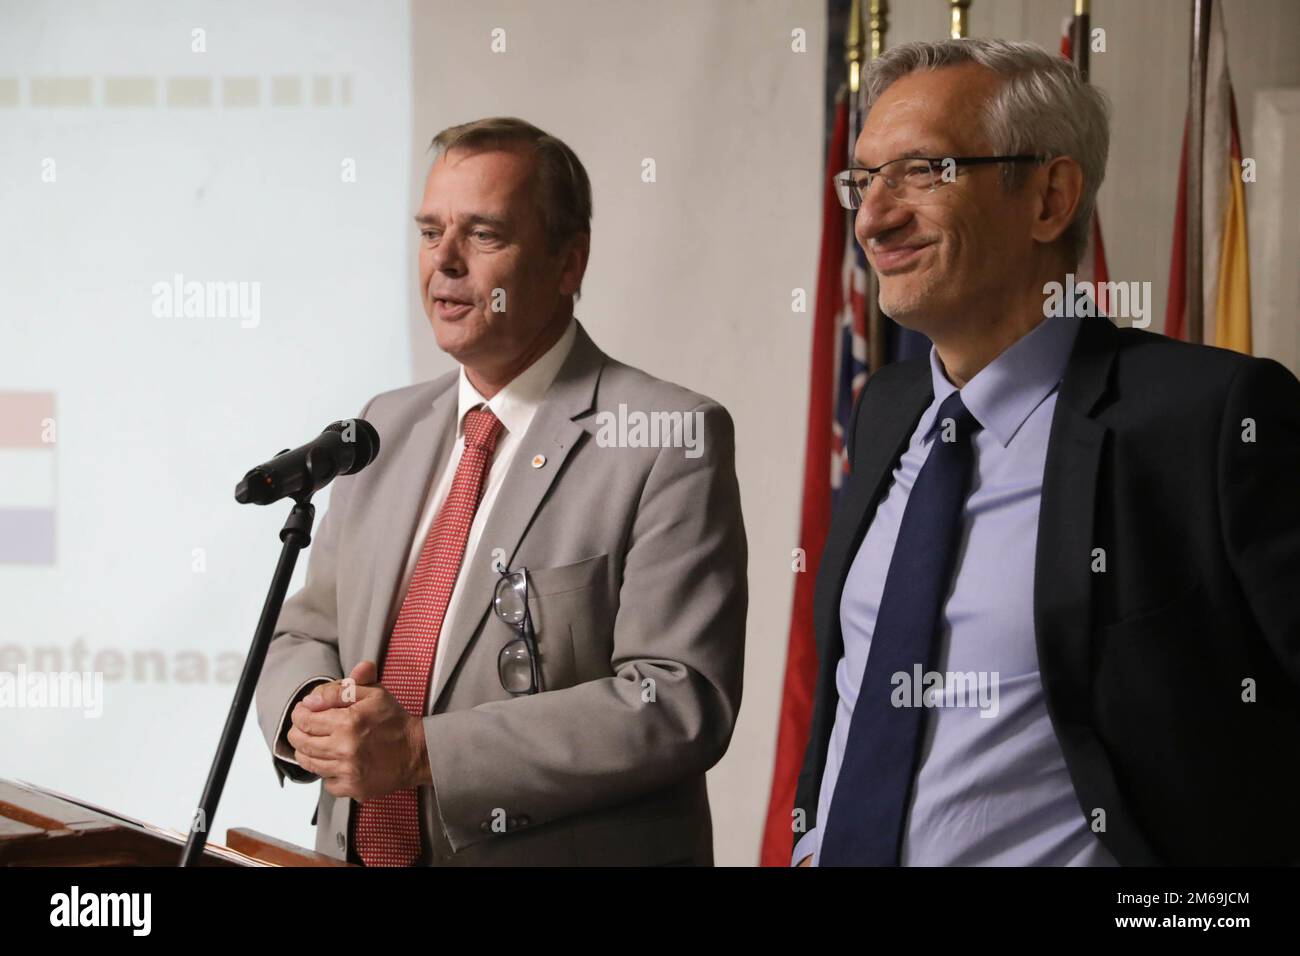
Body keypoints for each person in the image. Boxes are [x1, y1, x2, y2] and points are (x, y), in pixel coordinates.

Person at [794, 39, 1300, 866]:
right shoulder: (886, 408)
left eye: (922, 172)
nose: (874, 218)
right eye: (864, 179)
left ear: (1049, 197)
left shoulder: (1208, 422)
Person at [255, 117, 747, 866]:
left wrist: (424, 752)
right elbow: (304, 631)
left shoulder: (666, 437)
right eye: (429, 232)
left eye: (483, 235)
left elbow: (678, 699)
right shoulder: (383, 425)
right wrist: (307, 709)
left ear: (567, 262)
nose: (444, 263)